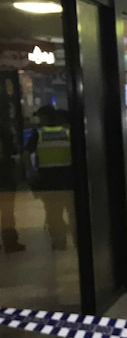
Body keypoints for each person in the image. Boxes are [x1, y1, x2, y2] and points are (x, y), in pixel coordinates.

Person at [24, 105, 74, 250]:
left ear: (46, 117)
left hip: (48, 179)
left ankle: (59, 241)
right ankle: (78, 240)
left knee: (53, 212)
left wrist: (31, 172)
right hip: (68, 177)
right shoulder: (68, 132)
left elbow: (26, 155)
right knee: (72, 210)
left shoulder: (38, 134)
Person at [0, 108, 24, 254]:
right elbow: (14, 150)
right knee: (7, 211)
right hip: (5, 175)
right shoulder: (5, 133)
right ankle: (10, 243)